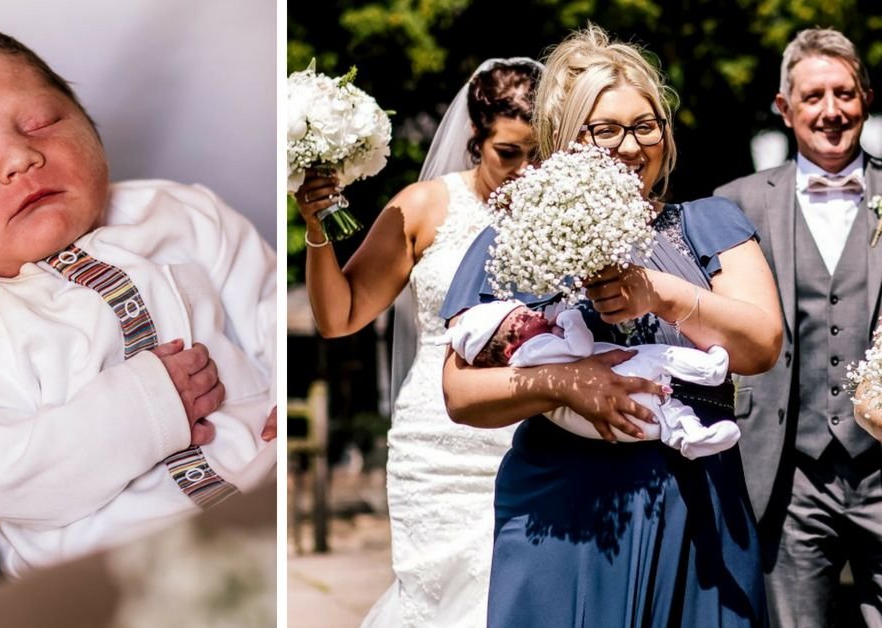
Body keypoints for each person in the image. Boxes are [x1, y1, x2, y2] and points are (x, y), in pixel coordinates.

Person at [0, 23, 276, 576]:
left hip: (263, 488)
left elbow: (269, 310)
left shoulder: (182, 214)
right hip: (117, 573)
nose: (20, 156)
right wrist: (142, 409)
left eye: (42, 124)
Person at [440, 25, 781, 626]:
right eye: (606, 129)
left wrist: (663, 294)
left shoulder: (709, 223)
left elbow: (762, 345)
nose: (630, 146)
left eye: (645, 125)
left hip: (695, 500)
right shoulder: (513, 241)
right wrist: (564, 383)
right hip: (563, 503)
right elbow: (460, 392)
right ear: (566, 139)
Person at [294, 58, 540, 625]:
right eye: (509, 153)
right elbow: (340, 317)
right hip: (438, 447)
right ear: (475, 139)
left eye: (537, 153)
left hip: (530, 430)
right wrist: (314, 228)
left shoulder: (557, 208)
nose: (525, 170)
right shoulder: (424, 207)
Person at [714, 27, 882, 627]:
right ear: (785, 108)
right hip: (786, 473)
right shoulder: (736, 203)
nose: (831, 112)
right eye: (813, 97)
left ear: (865, 97)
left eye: (845, 93)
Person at [439, 301, 740, 459]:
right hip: (615, 386)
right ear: (509, 345)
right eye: (524, 317)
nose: (534, 314)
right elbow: (580, 348)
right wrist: (569, 318)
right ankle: (709, 369)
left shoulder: (527, 356)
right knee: (658, 357)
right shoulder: (532, 352)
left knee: (664, 408)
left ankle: (689, 437)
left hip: (614, 416)